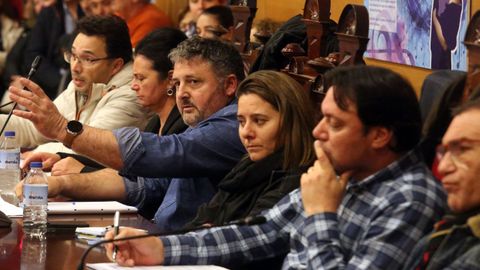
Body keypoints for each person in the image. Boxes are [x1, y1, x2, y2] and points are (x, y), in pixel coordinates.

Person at [103, 66, 447, 269]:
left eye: (335, 123)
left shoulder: (410, 198)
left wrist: (321, 215)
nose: (319, 132)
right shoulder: (342, 173)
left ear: (380, 136)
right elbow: (260, 232)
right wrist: (160, 248)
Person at [13, 37, 246, 231]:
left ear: (229, 85)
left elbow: (164, 153)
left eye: (193, 82)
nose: (181, 93)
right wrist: (62, 184)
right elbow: (145, 187)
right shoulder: (196, 126)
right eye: (178, 83)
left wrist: (63, 129)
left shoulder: (234, 124)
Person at [45, 28, 189, 175]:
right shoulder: (155, 123)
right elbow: (127, 164)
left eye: (141, 78)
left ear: (170, 80)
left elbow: (151, 184)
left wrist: (83, 170)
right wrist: (61, 157)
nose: (133, 86)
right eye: (133, 77)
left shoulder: (183, 128)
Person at [184, 70, 315, 229]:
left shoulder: (299, 181)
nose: (246, 132)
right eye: (241, 121)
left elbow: (242, 239)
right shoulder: (247, 165)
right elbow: (200, 222)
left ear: (291, 122)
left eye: (259, 121)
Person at [1, 15, 151, 155]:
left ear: (116, 66)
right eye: (73, 56)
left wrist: (31, 155)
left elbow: (86, 151)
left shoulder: (131, 95)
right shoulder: (83, 83)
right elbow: (34, 129)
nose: (75, 67)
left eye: (88, 59)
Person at [403, 95, 480, 270]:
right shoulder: (454, 225)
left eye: (463, 149)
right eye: (444, 151)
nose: (443, 167)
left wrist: (326, 211)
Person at [431, 0, 463, 69]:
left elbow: (447, 45)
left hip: (443, 61)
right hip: (436, 55)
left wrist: (435, 20)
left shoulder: (454, 6)